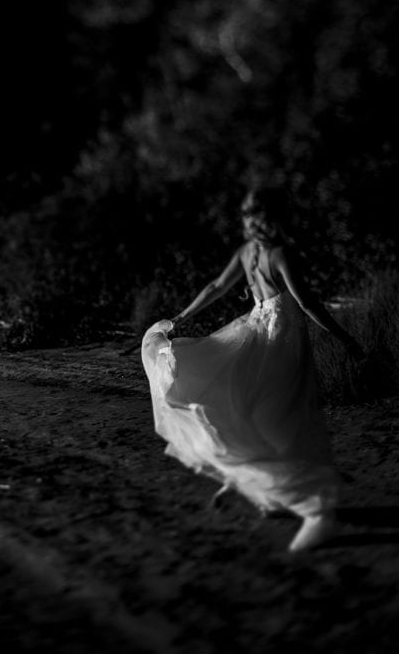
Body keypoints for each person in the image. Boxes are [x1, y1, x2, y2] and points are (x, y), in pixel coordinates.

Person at [140, 187, 363, 552]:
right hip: (282, 336)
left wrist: (180, 317)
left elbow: (216, 286)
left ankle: (269, 491)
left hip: (253, 329)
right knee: (285, 416)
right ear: (275, 217)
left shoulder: (247, 252)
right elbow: (307, 303)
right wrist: (345, 338)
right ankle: (313, 509)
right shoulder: (279, 254)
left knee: (249, 406)